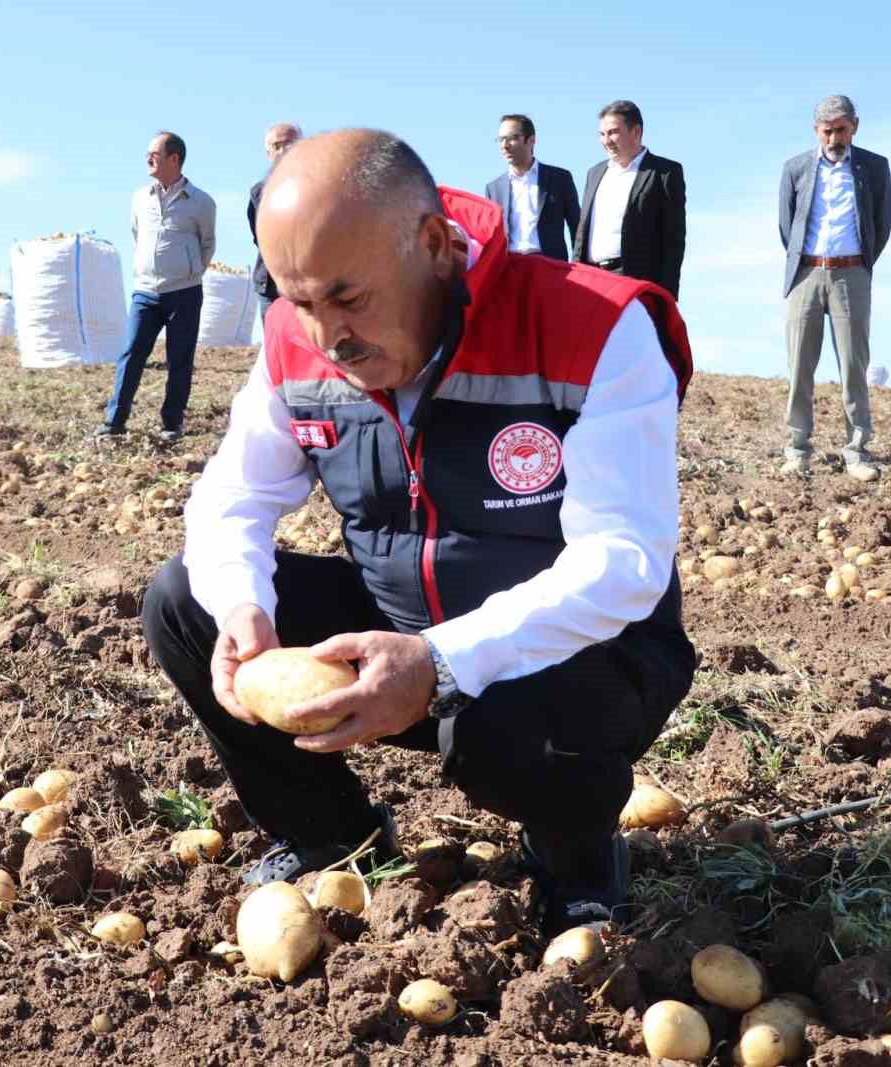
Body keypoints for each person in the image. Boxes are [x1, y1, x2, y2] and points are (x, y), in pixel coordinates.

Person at [143, 129, 697, 935]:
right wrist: (242, 608)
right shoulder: (296, 343)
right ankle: (335, 839)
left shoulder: (595, 326)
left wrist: (442, 662)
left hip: (585, 653)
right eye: (300, 300)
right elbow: (230, 499)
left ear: (434, 245)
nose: (327, 335)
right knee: (181, 601)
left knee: (491, 722)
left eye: (348, 296)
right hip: (400, 627)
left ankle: (577, 859)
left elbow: (624, 561)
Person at [778, 94, 891, 482]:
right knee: (799, 367)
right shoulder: (795, 169)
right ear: (816, 131)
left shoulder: (874, 168)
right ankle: (797, 450)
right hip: (805, 275)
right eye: (827, 131)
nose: (834, 138)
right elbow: (786, 226)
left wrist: (859, 265)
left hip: (851, 275)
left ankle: (856, 451)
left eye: (841, 130)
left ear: (854, 127)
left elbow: (882, 224)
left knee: (853, 365)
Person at [96, 131, 217, 443]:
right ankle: (114, 421)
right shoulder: (141, 197)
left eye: (155, 154)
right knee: (132, 352)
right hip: (146, 291)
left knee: (179, 359)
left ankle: (171, 424)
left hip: (185, 292)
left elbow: (207, 245)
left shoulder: (202, 202)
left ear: (174, 159)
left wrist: (188, 271)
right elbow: (138, 234)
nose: (148, 159)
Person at [575, 101, 686, 300]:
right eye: (602, 134)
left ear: (636, 131)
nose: (606, 140)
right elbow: (582, 233)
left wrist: (666, 296)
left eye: (613, 132)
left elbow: (673, 240)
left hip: (635, 282)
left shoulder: (664, 173)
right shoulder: (594, 173)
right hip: (592, 281)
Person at [484, 114, 580, 261]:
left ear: (531, 140)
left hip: (549, 267)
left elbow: (577, 227)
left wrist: (579, 267)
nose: (505, 145)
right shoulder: (494, 189)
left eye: (512, 138)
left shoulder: (559, 178)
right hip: (510, 268)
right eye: (501, 139)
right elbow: (490, 237)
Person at [250, 123, 303, 326]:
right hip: (270, 286)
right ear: (268, 152)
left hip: (307, 285)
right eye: (277, 146)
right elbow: (259, 237)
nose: (283, 151)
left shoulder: (317, 186)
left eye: (289, 144)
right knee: (275, 348)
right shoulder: (258, 193)